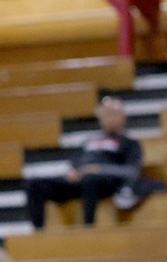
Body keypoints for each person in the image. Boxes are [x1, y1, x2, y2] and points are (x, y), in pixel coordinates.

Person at [24, 97, 142, 229]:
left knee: (90, 180)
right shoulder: (89, 141)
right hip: (80, 181)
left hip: (104, 182)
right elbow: (74, 162)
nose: (109, 118)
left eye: (113, 114)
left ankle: (88, 229)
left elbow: (131, 170)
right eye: (105, 115)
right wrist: (72, 171)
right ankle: (38, 232)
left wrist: (100, 169)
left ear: (122, 117)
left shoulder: (130, 142)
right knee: (34, 183)